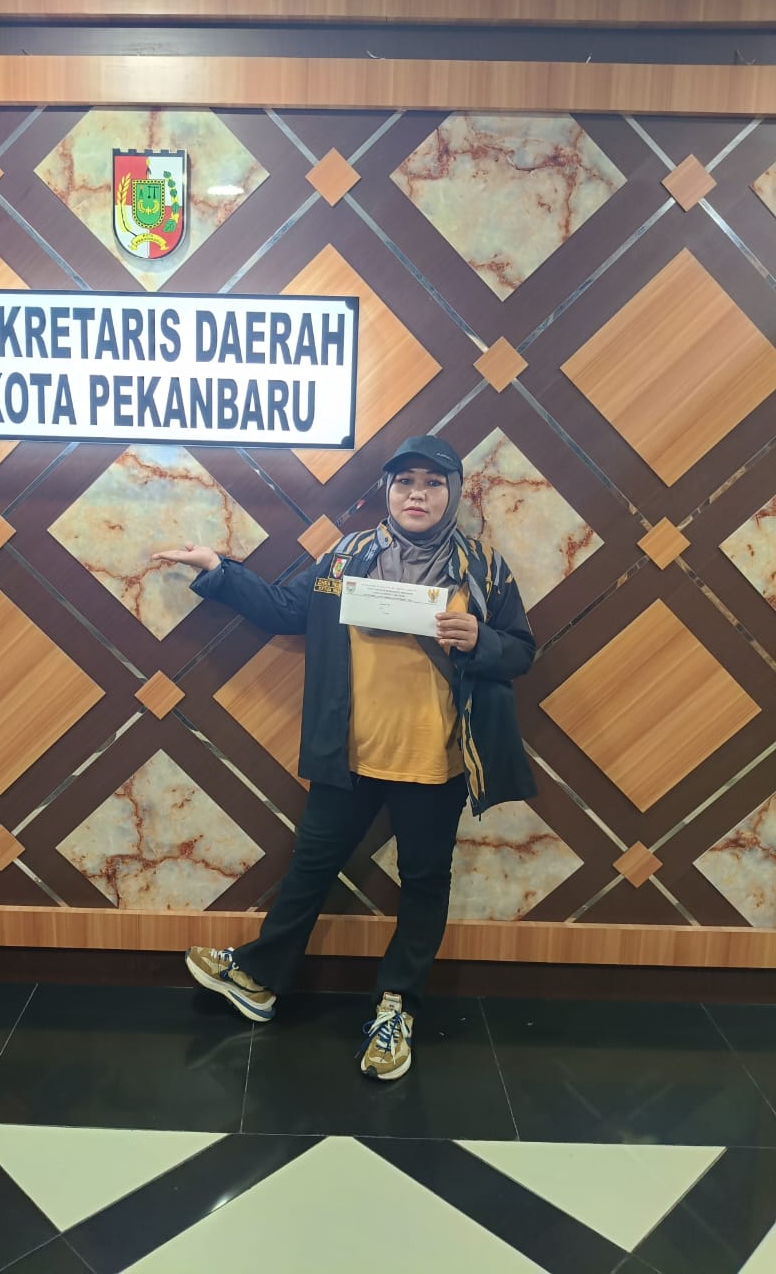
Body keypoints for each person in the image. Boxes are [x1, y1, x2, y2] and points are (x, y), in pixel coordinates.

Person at [152, 434, 536, 1081]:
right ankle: (261, 980)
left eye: (433, 483)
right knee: (310, 868)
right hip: (349, 755)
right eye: (405, 482)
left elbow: (522, 651)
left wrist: (482, 639)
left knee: (423, 884)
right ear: (387, 491)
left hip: (436, 761)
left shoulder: (483, 568)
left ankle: (397, 1007)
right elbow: (285, 608)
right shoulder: (347, 556)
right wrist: (219, 570)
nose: (417, 495)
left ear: (453, 492)